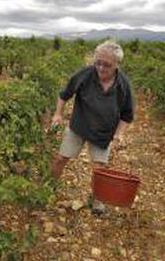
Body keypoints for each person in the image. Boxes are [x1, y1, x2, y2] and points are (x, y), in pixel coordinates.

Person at [50, 40, 134, 215]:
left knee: (100, 168)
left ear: (117, 64)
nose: (101, 68)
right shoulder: (85, 75)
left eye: (107, 65)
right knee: (60, 159)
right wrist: (58, 114)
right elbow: (64, 95)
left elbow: (127, 115)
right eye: (98, 63)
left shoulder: (124, 85)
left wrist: (120, 134)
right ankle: (48, 189)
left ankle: (97, 202)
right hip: (79, 126)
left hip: (103, 133)